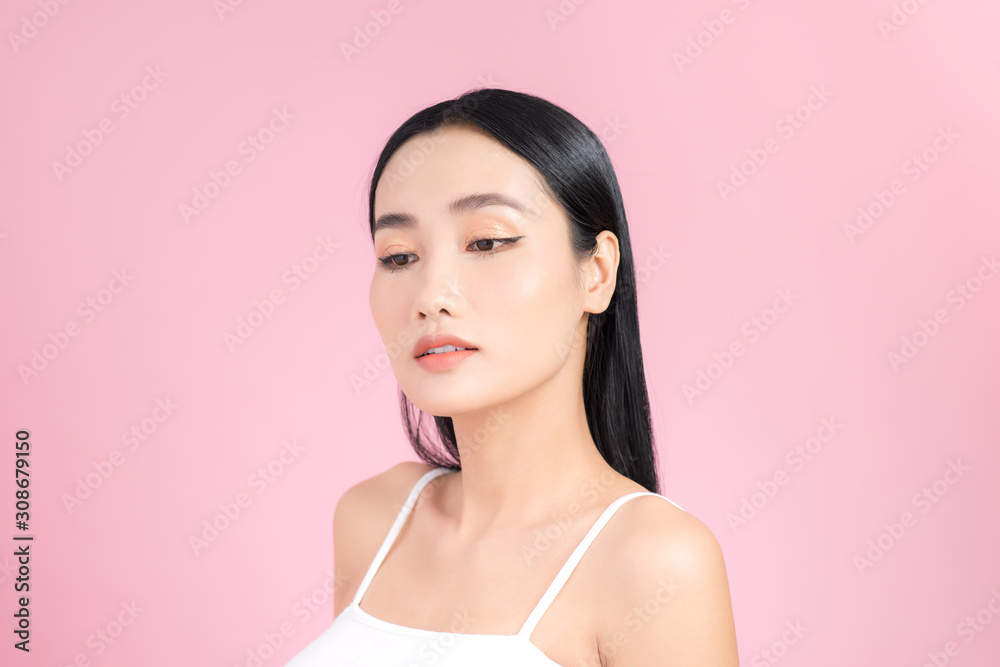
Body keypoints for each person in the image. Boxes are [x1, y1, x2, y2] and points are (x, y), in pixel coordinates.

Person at [286, 88, 739, 666]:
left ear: (596, 273)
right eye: (399, 255)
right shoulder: (373, 518)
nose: (430, 297)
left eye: (487, 241)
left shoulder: (654, 563)